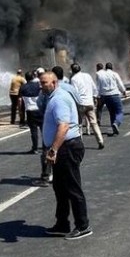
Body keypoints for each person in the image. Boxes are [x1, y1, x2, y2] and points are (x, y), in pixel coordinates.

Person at [41, 72, 92, 240]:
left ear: (54, 83)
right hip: (63, 148)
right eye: (41, 83)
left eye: (44, 83)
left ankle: (82, 225)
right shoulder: (53, 97)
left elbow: (63, 126)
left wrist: (53, 149)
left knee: (72, 187)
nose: (42, 86)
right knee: (60, 188)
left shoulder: (59, 99)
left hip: (66, 148)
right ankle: (62, 223)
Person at [70, 63, 105, 150]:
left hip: (81, 104)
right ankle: (100, 141)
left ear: (72, 70)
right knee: (94, 123)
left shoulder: (73, 79)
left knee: (79, 125)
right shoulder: (87, 75)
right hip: (90, 103)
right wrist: (95, 97)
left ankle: (80, 144)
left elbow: (75, 93)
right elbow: (94, 87)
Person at [96, 62, 126, 135]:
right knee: (120, 112)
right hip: (115, 95)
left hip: (106, 96)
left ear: (105, 68)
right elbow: (120, 83)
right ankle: (116, 123)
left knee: (112, 113)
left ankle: (114, 129)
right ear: (112, 68)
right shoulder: (114, 74)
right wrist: (123, 91)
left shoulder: (101, 75)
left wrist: (98, 96)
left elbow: (98, 87)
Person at [20, 71, 43, 154]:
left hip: (30, 111)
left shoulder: (23, 87)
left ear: (25, 78)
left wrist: (21, 112)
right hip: (39, 110)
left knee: (33, 131)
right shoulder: (38, 85)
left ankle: (35, 148)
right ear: (33, 77)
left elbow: (20, 101)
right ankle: (45, 146)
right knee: (43, 129)